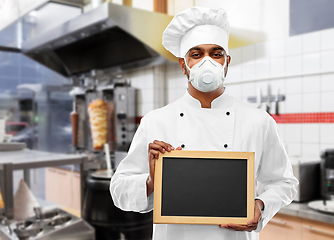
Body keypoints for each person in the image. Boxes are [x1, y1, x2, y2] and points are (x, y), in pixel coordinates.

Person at [110, 7, 298, 240]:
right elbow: (118, 191)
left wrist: (261, 205)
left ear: (227, 62)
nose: (207, 62)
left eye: (216, 53)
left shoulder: (259, 122)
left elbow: (284, 183)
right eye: (196, 54)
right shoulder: (155, 122)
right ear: (183, 64)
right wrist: (151, 181)